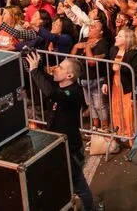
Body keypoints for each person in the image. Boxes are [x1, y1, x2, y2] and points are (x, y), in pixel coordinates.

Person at [25, 51, 94, 211]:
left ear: (69, 75)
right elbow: (47, 81)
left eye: (61, 67)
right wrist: (38, 65)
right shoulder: (60, 84)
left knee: (79, 185)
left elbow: (51, 93)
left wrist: (35, 71)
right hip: (58, 144)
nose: (56, 69)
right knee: (60, 182)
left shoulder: (74, 92)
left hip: (70, 148)